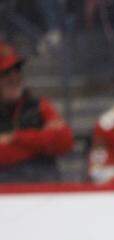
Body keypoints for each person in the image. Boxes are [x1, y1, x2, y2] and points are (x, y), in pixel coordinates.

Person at [0, 42, 73, 183]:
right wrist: (39, 144)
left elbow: (64, 140)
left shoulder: (39, 105)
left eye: (17, 70)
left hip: (42, 188)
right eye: (6, 73)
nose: (14, 78)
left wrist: (15, 138)